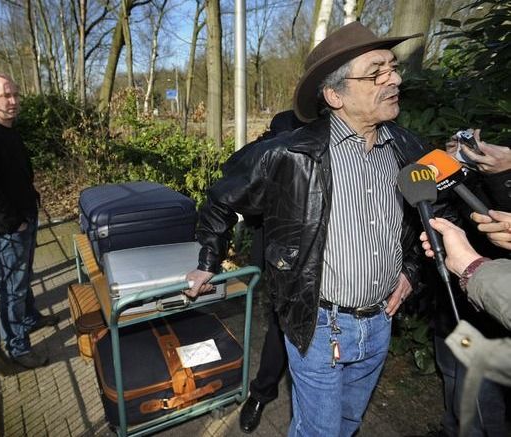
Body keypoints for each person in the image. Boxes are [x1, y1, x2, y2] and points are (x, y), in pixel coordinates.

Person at [186, 22, 444, 436]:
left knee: (348, 423)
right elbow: (222, 196)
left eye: (392, 68)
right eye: (376, 72)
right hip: (320, 326)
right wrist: (208, 260)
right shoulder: (290, 153)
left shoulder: (406, 147)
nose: (394, 79)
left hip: (380, 322)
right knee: (319, 431)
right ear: (335, 95)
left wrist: (411, 271)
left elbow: (428, 216)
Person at [0, 73, 58, 369]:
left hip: (25, 218)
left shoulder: (10, 132)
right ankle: (17, 347)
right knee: (12, 287)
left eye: (15, 94)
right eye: (5, 95)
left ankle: (30, 318)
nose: (13, 101)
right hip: (9, 228)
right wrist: (12, 223)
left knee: (23, 276)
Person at [237, 110, 304, 434]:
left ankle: (307, 410)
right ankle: (261, 393)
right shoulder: (279, 133)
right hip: (281, 258)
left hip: (326, 264)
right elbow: (244, 194)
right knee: (281, 326)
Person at [420, 217, 511, 436]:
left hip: (489, 320)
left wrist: (471, 266)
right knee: (451, 375)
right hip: (449, 306)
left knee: (476, 400)